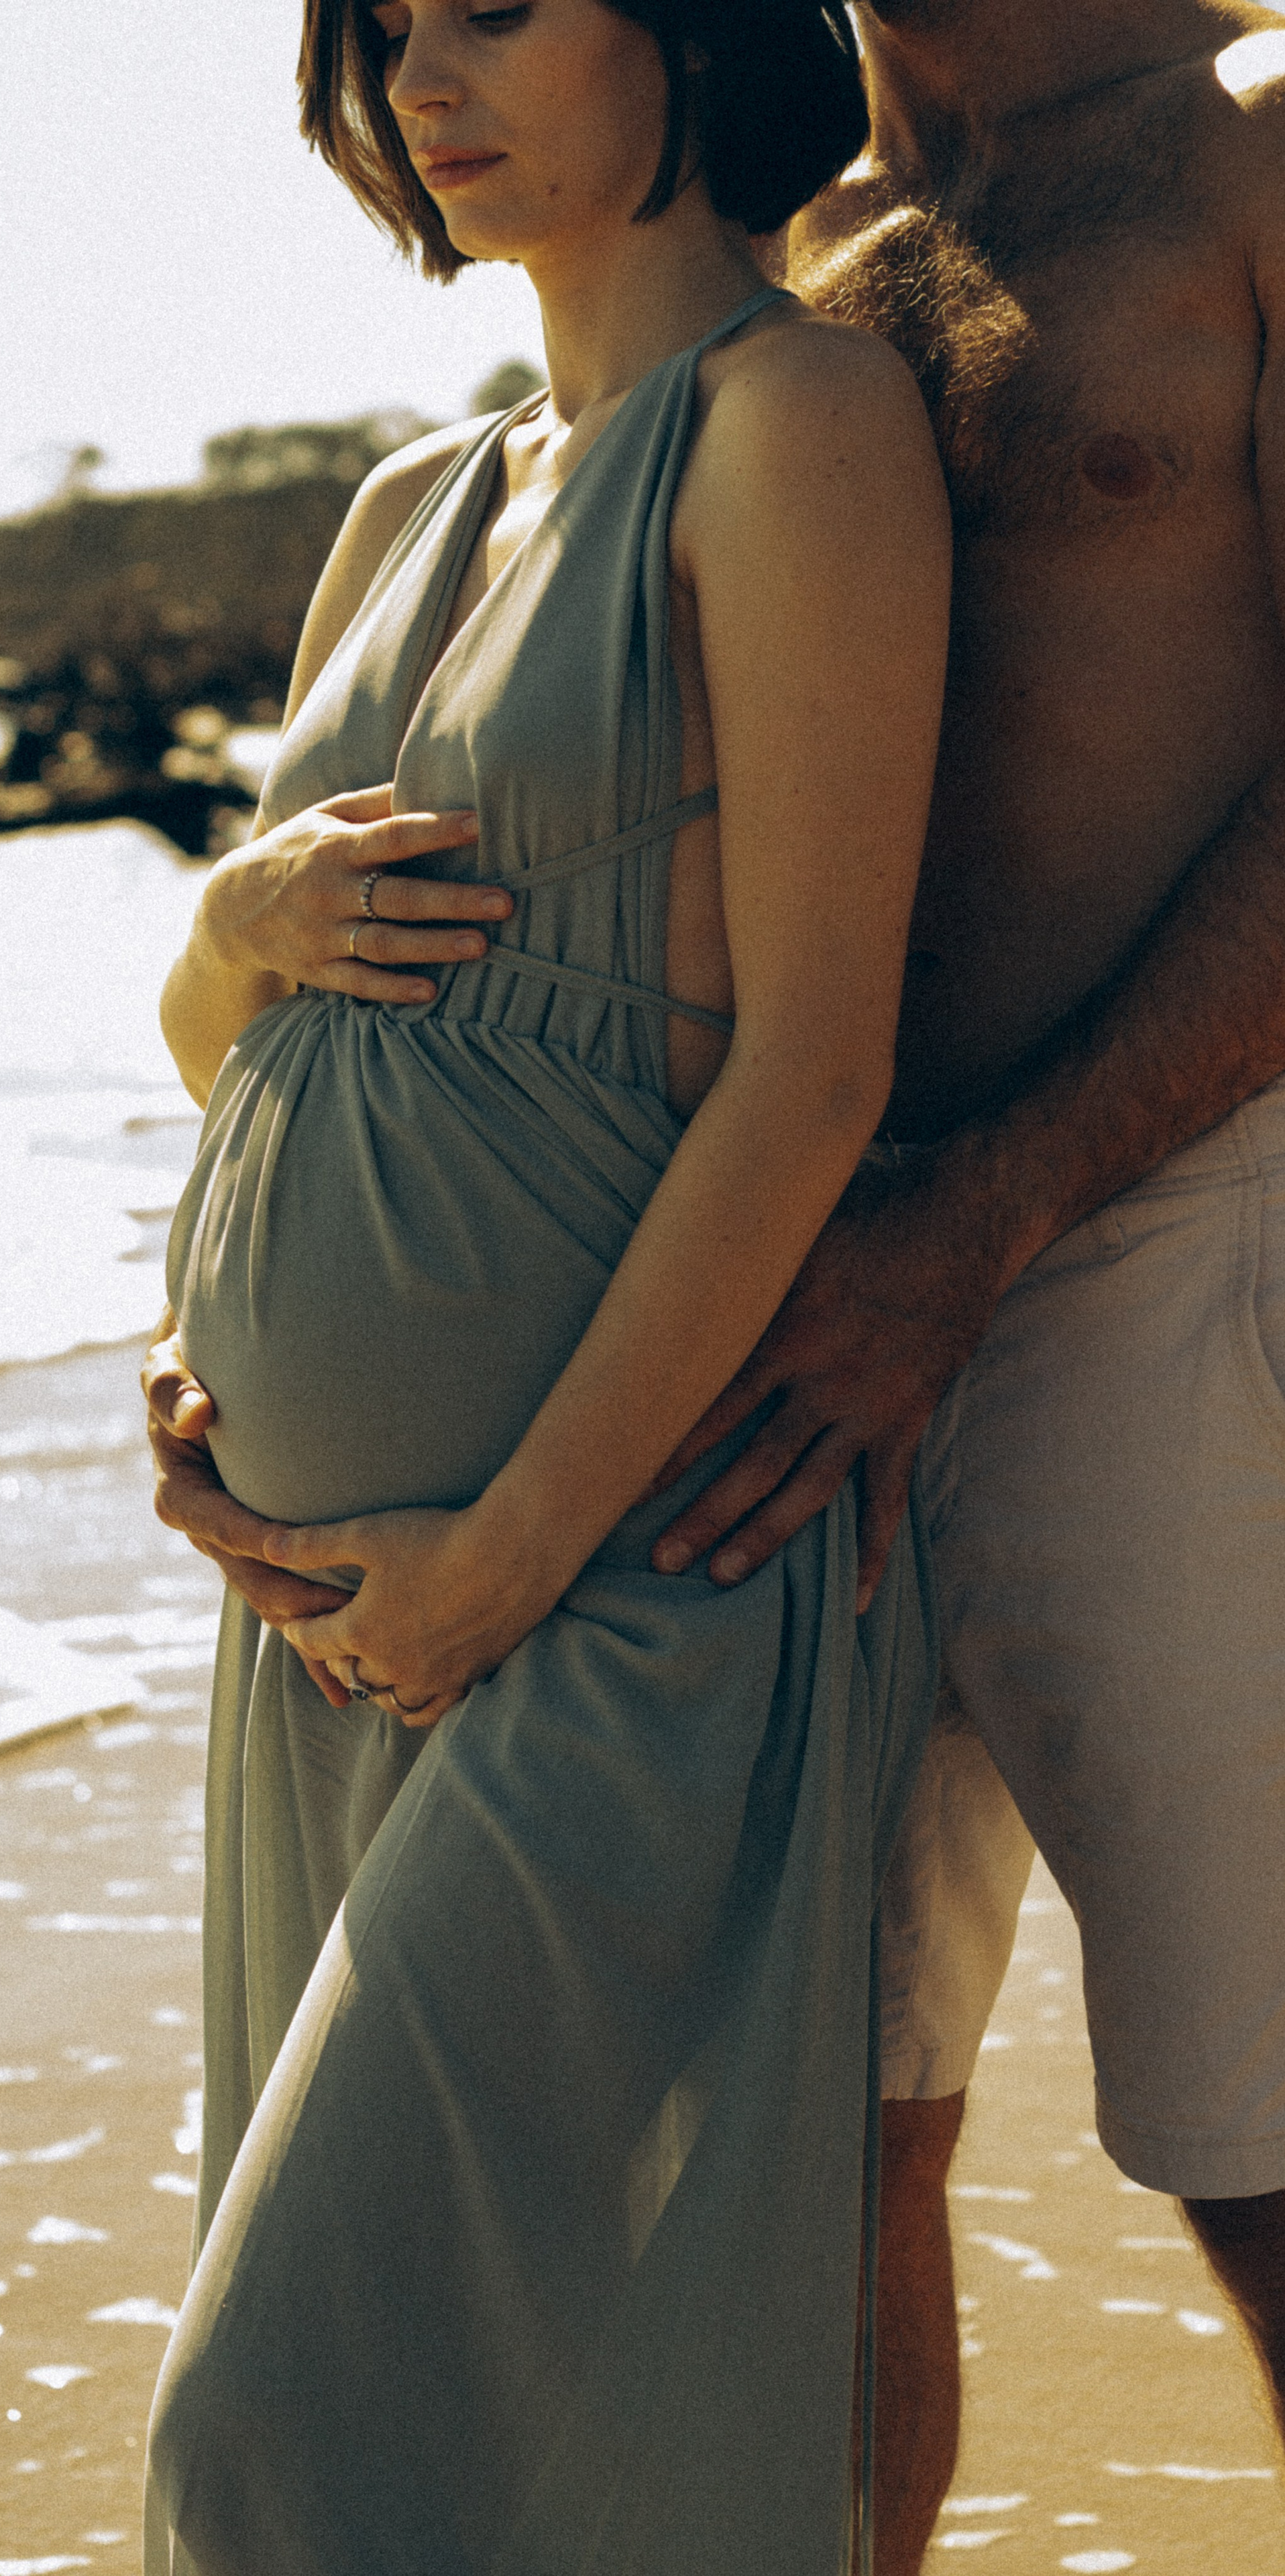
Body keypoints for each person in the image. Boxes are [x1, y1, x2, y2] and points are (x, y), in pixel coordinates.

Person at [152, 3, 1285, 2568]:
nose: (427, 72)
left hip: (1142, 1248)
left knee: (1266, 2153)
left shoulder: (1247, 146)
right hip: (764, 1347)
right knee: (802, 2193)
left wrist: (979, 1219)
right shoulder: (814, 257)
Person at [141, 1, 952, 2567]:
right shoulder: (414, 503)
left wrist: (507, 1557)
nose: (420, 79)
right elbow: (238, 1048)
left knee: (277, 2434)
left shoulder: (793, 428)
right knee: (441, 2441)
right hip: (330, 1616)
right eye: (387, 26)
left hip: (612, 1572)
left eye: (497, 5)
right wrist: (229, 938)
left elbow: (814, 1072)